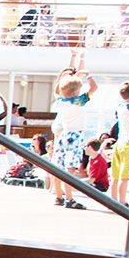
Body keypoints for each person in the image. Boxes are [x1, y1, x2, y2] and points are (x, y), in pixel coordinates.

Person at [50, 56, 98, 209]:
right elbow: (94, 88)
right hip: (75, 135)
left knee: (58, 167)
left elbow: (58, 90)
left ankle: (59, 196)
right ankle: (70, 199)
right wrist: (88, 74)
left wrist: (67, 78)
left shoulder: (60, 101)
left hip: (63, 134)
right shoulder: (78, 102)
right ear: (76, 91)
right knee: (70, 169)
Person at [111, 82, 129, 205]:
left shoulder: (120, 106)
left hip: (119, 143)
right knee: (124, 177)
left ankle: (113, 201)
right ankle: (121, 203)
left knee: (115, 175)